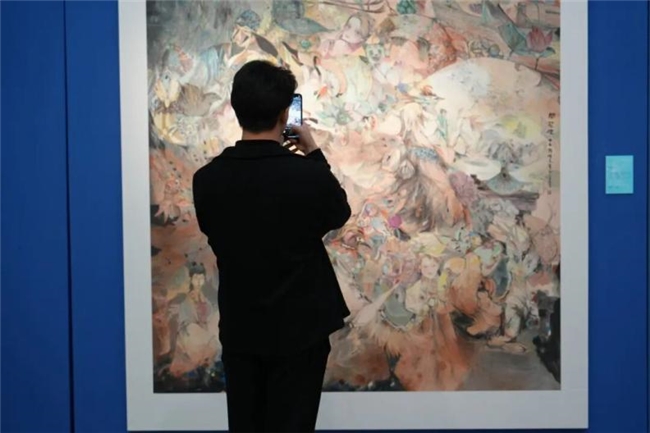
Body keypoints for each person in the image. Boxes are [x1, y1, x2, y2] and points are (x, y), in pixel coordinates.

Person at [192, 60, 352, 432]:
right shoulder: (306, 175)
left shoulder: (207, 180)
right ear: (285, 114)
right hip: (302, 329)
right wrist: (313, 152)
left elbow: (216, 233)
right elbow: (338, 212)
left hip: (242, 328)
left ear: (236, 108)